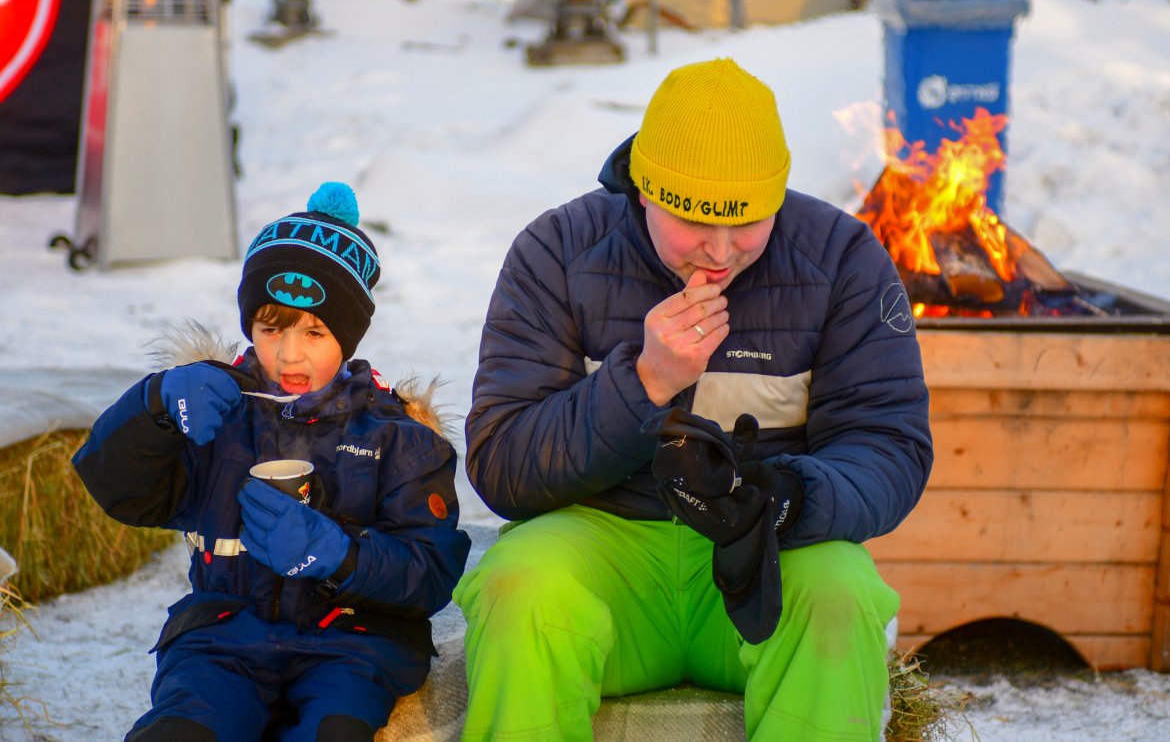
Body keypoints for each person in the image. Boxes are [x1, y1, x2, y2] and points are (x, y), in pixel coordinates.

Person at [453, 58, 932, 741]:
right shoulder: (556, 252)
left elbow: (889, 443)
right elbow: (503, 464)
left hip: (762, 560)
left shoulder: (841, 258)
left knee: (841, 589)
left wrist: (792, 498)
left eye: (748, 222)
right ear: (645, 191)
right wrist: (644, 382)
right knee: (517, 585)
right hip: (604, 550)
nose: (720, 252)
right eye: (696, 221)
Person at [72, 182, 472, 742]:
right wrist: (154, 406)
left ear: (349, 335)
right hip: (222, 636)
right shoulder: (214, 406)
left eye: (315, 332)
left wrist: (340, 556)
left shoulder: (395, 434)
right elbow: (122, 491)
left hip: (353, 645)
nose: (289, 353)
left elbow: (430, 573)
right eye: (271, 328)